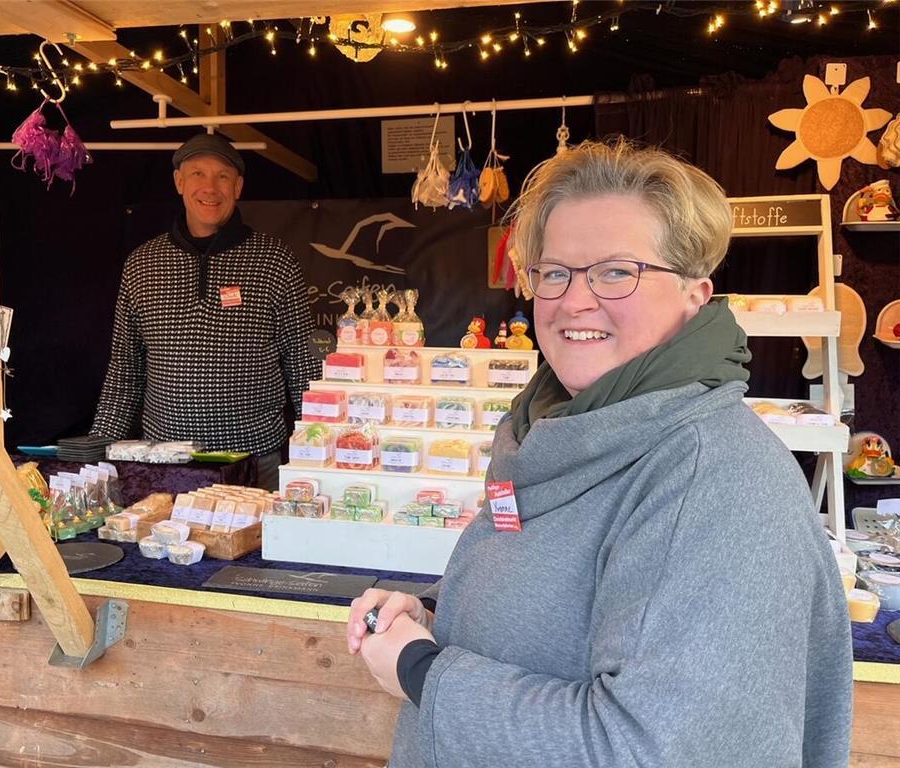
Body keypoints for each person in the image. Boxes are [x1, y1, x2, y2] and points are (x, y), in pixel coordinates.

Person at [346, 138, 853, 767]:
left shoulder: (714, 483)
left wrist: (421, 670)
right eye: (554, 271)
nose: (574, 299)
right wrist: (432, 615)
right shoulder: (554, 428)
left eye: (617, 271)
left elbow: (648, 751)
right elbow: (562, 608)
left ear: (696, 295)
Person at [91, 133, 321, 490]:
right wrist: (96, 452)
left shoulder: (274, 261)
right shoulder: (142, 265)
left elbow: (302, 364)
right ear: (179, 182)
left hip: (254, 461)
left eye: (222, 176)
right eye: (197, 174)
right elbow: (125, 371)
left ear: (238, 186)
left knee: (256, 548)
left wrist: (320, 448)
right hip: (167, 463)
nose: (210, 188)